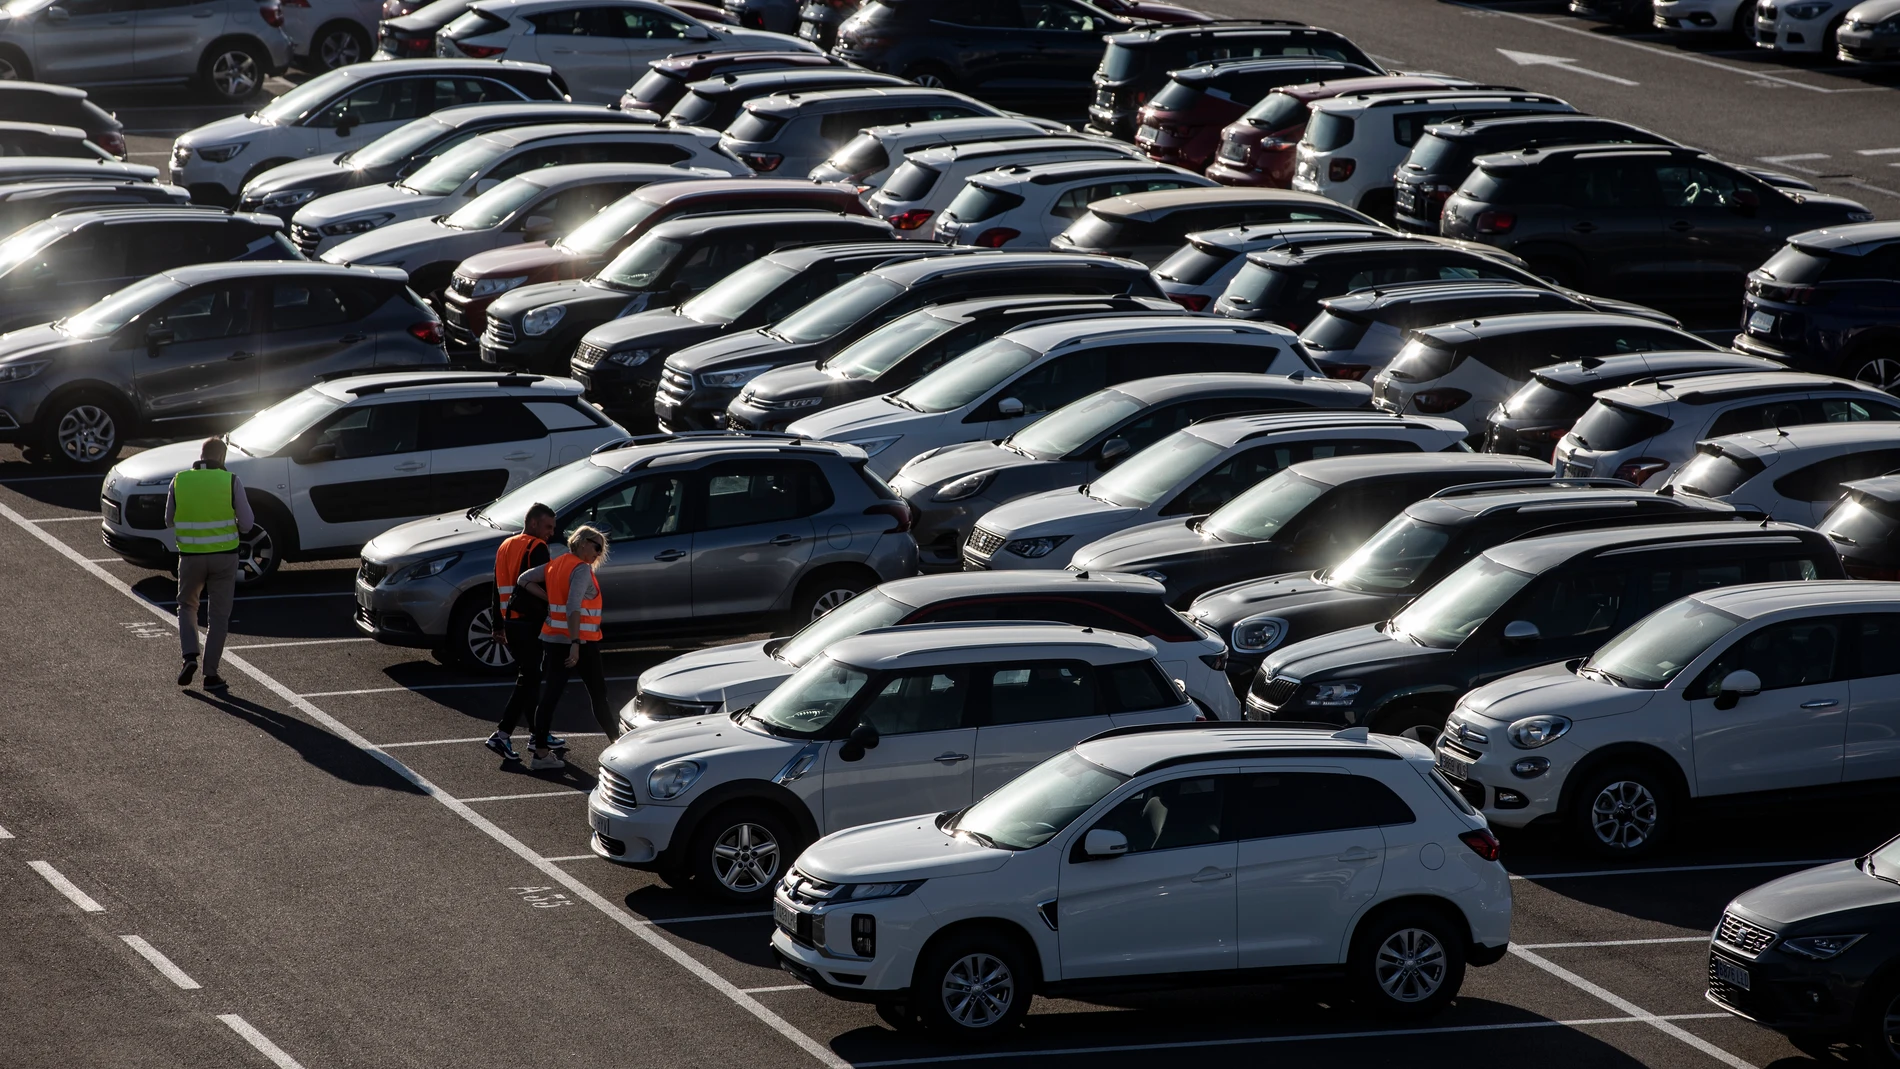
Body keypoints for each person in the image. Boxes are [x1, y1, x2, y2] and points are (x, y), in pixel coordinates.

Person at [518, 525, 615, 765]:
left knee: (550, 695)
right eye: (596, 547)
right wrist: (575, 644)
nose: (598, 553)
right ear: (582, 542)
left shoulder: (557, 564)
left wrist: (547, 597)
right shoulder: (581, 570)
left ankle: (540, 753)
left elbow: (524, 579)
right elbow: (573, 607)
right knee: (598, 695)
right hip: (580, 643)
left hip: (552, 639)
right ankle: (617, 742)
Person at [166, 437, 254, 691]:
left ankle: (189, 656)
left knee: (187, 606)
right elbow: (247, 523)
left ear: (201, 455)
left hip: (191, 557)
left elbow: (168, 519)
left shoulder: (179, 480)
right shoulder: (231, 481)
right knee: (218, 617)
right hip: (225, 557)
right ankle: (211, 674)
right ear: (222, 458)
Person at [484, 503, 555, 762]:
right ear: (534, 523)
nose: (551, 533)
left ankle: (538, 734)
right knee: (530, 679)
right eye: (548, 527)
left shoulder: (506, 545)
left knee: (529, 677)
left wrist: (497, 624)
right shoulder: (537, 548)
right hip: (528, 622)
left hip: (510, 621)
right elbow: (543, 585)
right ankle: (503, 734)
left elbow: (496, 586)